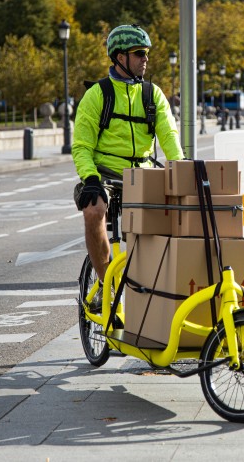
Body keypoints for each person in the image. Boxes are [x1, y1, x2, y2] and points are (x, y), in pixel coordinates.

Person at [72, 24, 184, 310]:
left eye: (146, 53)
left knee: (177, 215)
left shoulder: (153, 94)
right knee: (94, 209)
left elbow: (169, 136)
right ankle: (103, 283)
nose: (145, 59)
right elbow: (82, 146)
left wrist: (181, 168)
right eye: (139, 53)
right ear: (120, 57)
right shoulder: (97, 95)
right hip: (105, 174)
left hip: (143, 172)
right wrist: (90, 179)